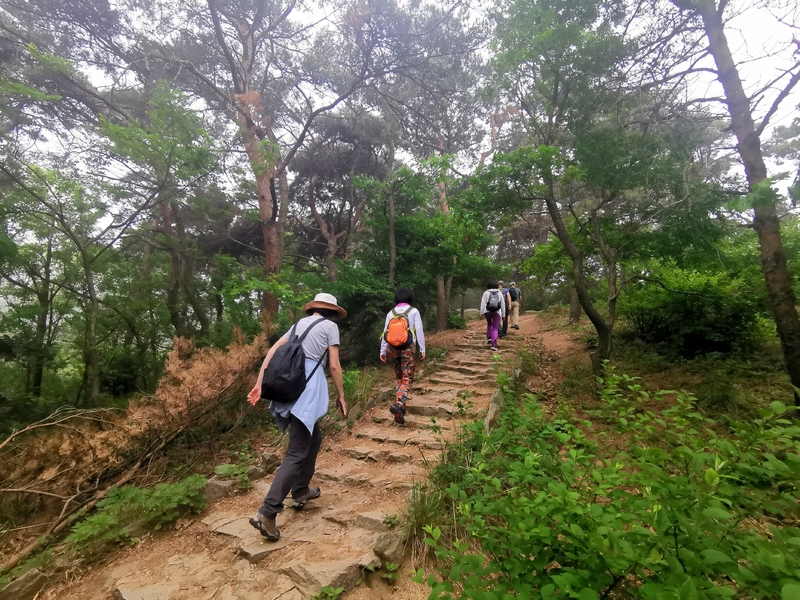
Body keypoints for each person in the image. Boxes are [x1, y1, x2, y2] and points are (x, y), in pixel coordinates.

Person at [247, 293, 347, 542]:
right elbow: (334, 365)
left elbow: (271, 351)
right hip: (308, 390)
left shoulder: (298, 325)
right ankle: (267, 513)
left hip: (289, 387)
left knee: (313, 439)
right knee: (297, 451)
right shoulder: (331, 327)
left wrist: (259, 383)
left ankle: (301, 491)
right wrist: (342, 397)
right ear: (332, 311)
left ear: (314, 308)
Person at [380, 288, 426, 425]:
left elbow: (385, 332)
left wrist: (382, 351)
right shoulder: (413, 311)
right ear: (410, 299)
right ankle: (399, 404)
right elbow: (419, 330)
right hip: (408, 347)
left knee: (399, 377)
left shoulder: (391, 313)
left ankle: (400, 409)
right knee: (407, 378)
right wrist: (422, 349)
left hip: (392, 348)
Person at [480, 281, 505, 352]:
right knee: (495, 328)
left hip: (487, 311)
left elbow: (483, 303)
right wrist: (503, 315)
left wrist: (481, 312)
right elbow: (502, 304)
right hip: (497, 312)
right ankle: (494, 344)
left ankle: (489, 337)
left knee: (489, 323)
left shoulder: (486, 293)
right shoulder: (499, 293)